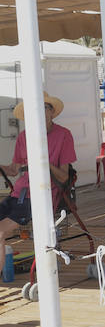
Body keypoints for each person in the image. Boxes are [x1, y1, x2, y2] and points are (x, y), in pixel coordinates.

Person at [0, 92, 77, 269]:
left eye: (43, 107)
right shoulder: (23, 136)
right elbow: (13, 170)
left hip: (42, 195)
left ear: (51, 112)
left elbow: (64, 177)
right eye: (33, 110)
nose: (38, 113)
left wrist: (45, 163)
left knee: (1, 232)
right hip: (18, 194)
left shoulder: (64, 135)